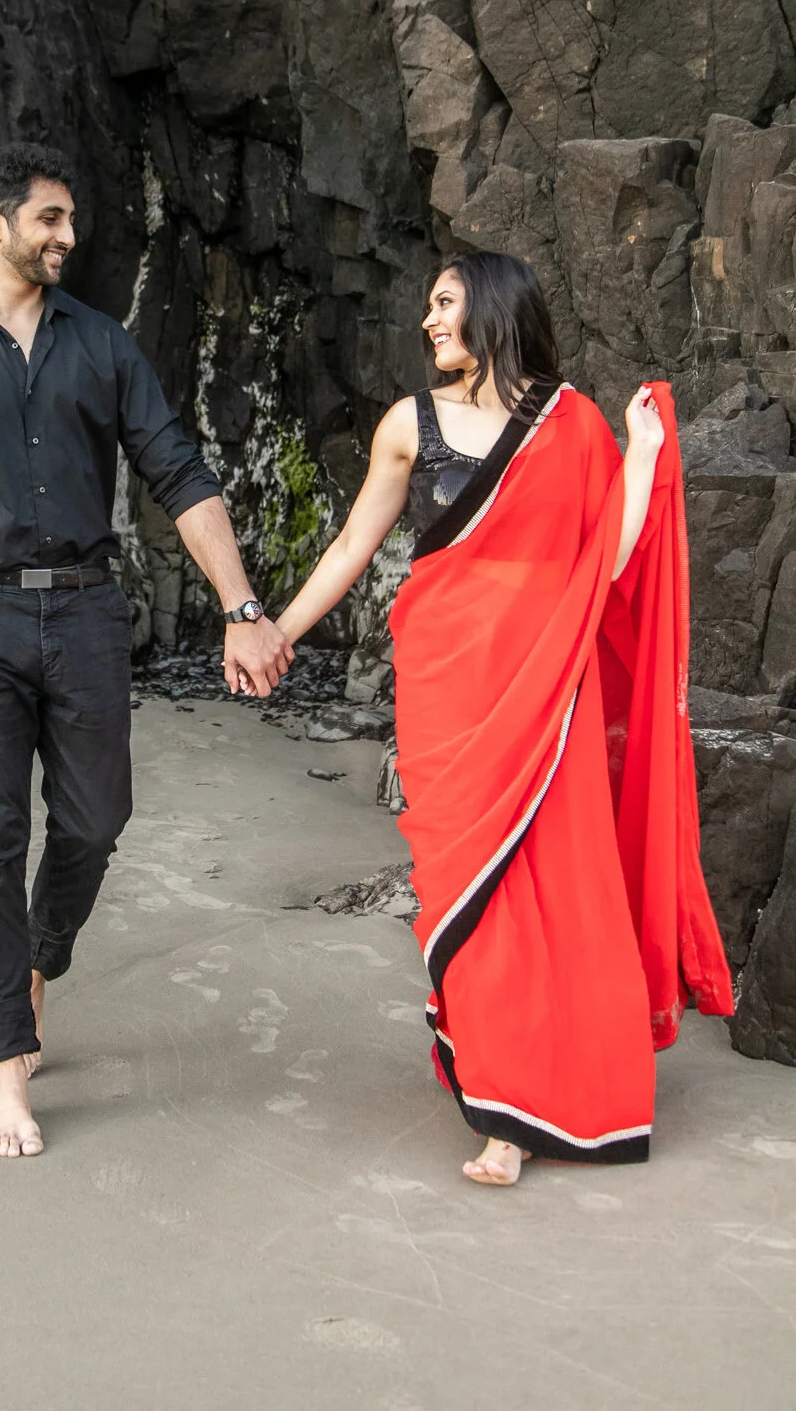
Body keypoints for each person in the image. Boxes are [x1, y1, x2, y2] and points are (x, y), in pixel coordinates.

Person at [0, 142, 294, 1159]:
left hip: (87, 611)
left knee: (96, 822)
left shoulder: (101, 344)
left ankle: (38, 958)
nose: (67, 236)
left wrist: (241, 605)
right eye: (49, 218)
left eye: (70, 219)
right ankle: (6, 1069)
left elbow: (177, 471)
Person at [275, 250, 733, 1187]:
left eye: (444, 303)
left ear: (491, 307)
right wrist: (275, 631)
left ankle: (511, 1115)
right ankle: (498, 1082)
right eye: (427, 305)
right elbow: (354, 543)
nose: (428, 320)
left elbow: (608, 564)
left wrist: (641, 455)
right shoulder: (408, 424)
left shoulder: (571, 424)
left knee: (554, 889)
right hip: (447, 693)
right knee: (465, 893)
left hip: (546, 692)